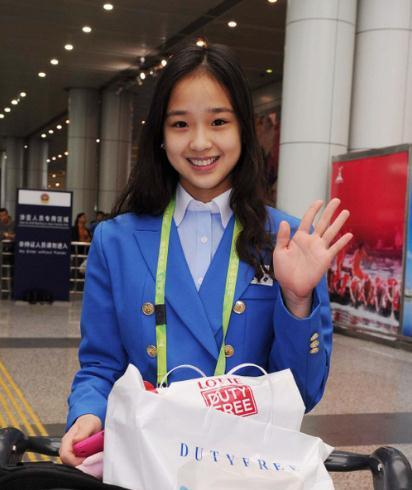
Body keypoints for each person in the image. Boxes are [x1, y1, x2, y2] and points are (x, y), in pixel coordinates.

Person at [60, 42, 352, 466]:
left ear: (243, 130)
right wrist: (87, 413)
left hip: (244, 468)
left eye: (218, 121)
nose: (200, 142)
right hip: (147, 463)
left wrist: (297, 299)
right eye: (180, 124)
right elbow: (100, 366)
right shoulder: (115, 240)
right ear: (160, 136)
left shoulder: (288, 241)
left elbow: (302, 394)